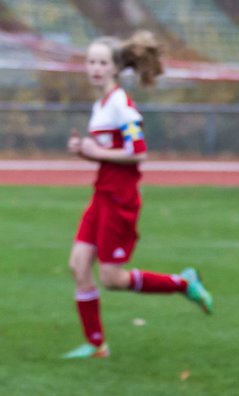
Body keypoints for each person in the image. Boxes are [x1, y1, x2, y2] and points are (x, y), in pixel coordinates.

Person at [64, 31, 212, 360]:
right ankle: (96, 344)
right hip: (102, 193)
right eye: (91, 62)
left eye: (102, 62)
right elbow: (108, 151)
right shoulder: (100, 104)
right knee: (78, 265)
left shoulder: (120, 103)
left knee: (113, 279)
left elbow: (138, 151)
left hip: (120, 198)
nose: (95, 68)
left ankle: (183, 284)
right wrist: (85, 151)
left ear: (116, 68)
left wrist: (95, 152)